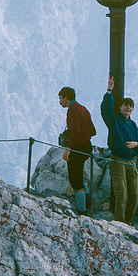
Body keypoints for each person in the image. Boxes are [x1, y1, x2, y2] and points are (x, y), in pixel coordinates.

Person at [101, 76, 138, 225]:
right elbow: (106, 110)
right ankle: (120, 222)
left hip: (132, 161)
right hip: (118, 159)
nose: (128, 108)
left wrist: (136, 143)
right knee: (122, 194)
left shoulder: (133, 125)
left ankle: (129, 221)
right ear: (120, 107)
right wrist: (109, 91)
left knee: (135, 194)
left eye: (131, 106)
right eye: (126, 105)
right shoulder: (114, 121)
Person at [58, 86, 96, 214]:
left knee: (75, 178)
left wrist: (68, 148)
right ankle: (86, 202)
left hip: (77, 148)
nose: (60, 101)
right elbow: (92, 130)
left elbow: (75, 131)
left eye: (61, 98)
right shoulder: (83, 108)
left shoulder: (72, 110)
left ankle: (82, 210)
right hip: (87, 146)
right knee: (78, 174)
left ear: (66, 97)